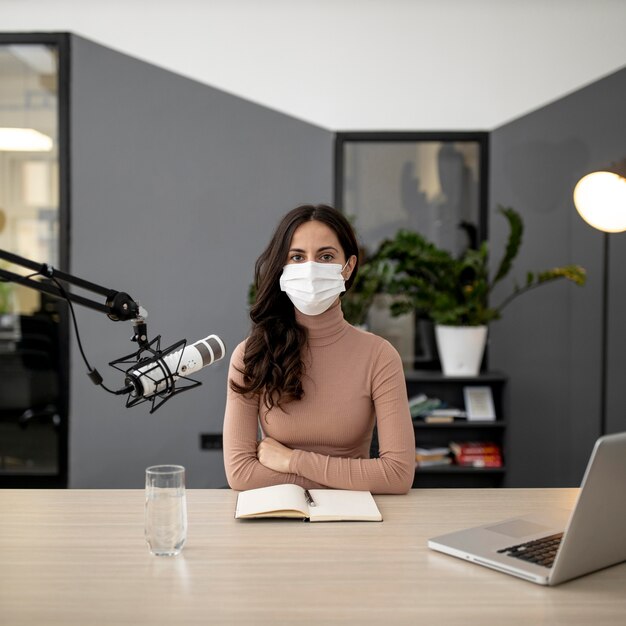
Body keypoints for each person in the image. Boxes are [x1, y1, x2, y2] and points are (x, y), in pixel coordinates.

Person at [223, 204, 415, 494]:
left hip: (355, 521)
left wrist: (292, 460)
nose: (310, 269)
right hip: (277, 522)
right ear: (282, 270)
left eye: (325, 257)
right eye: (297, 257)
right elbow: (240, 474)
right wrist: (350, 477)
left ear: (348, 267)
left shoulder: (379, 356)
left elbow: (398, 474)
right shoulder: (251, 355)